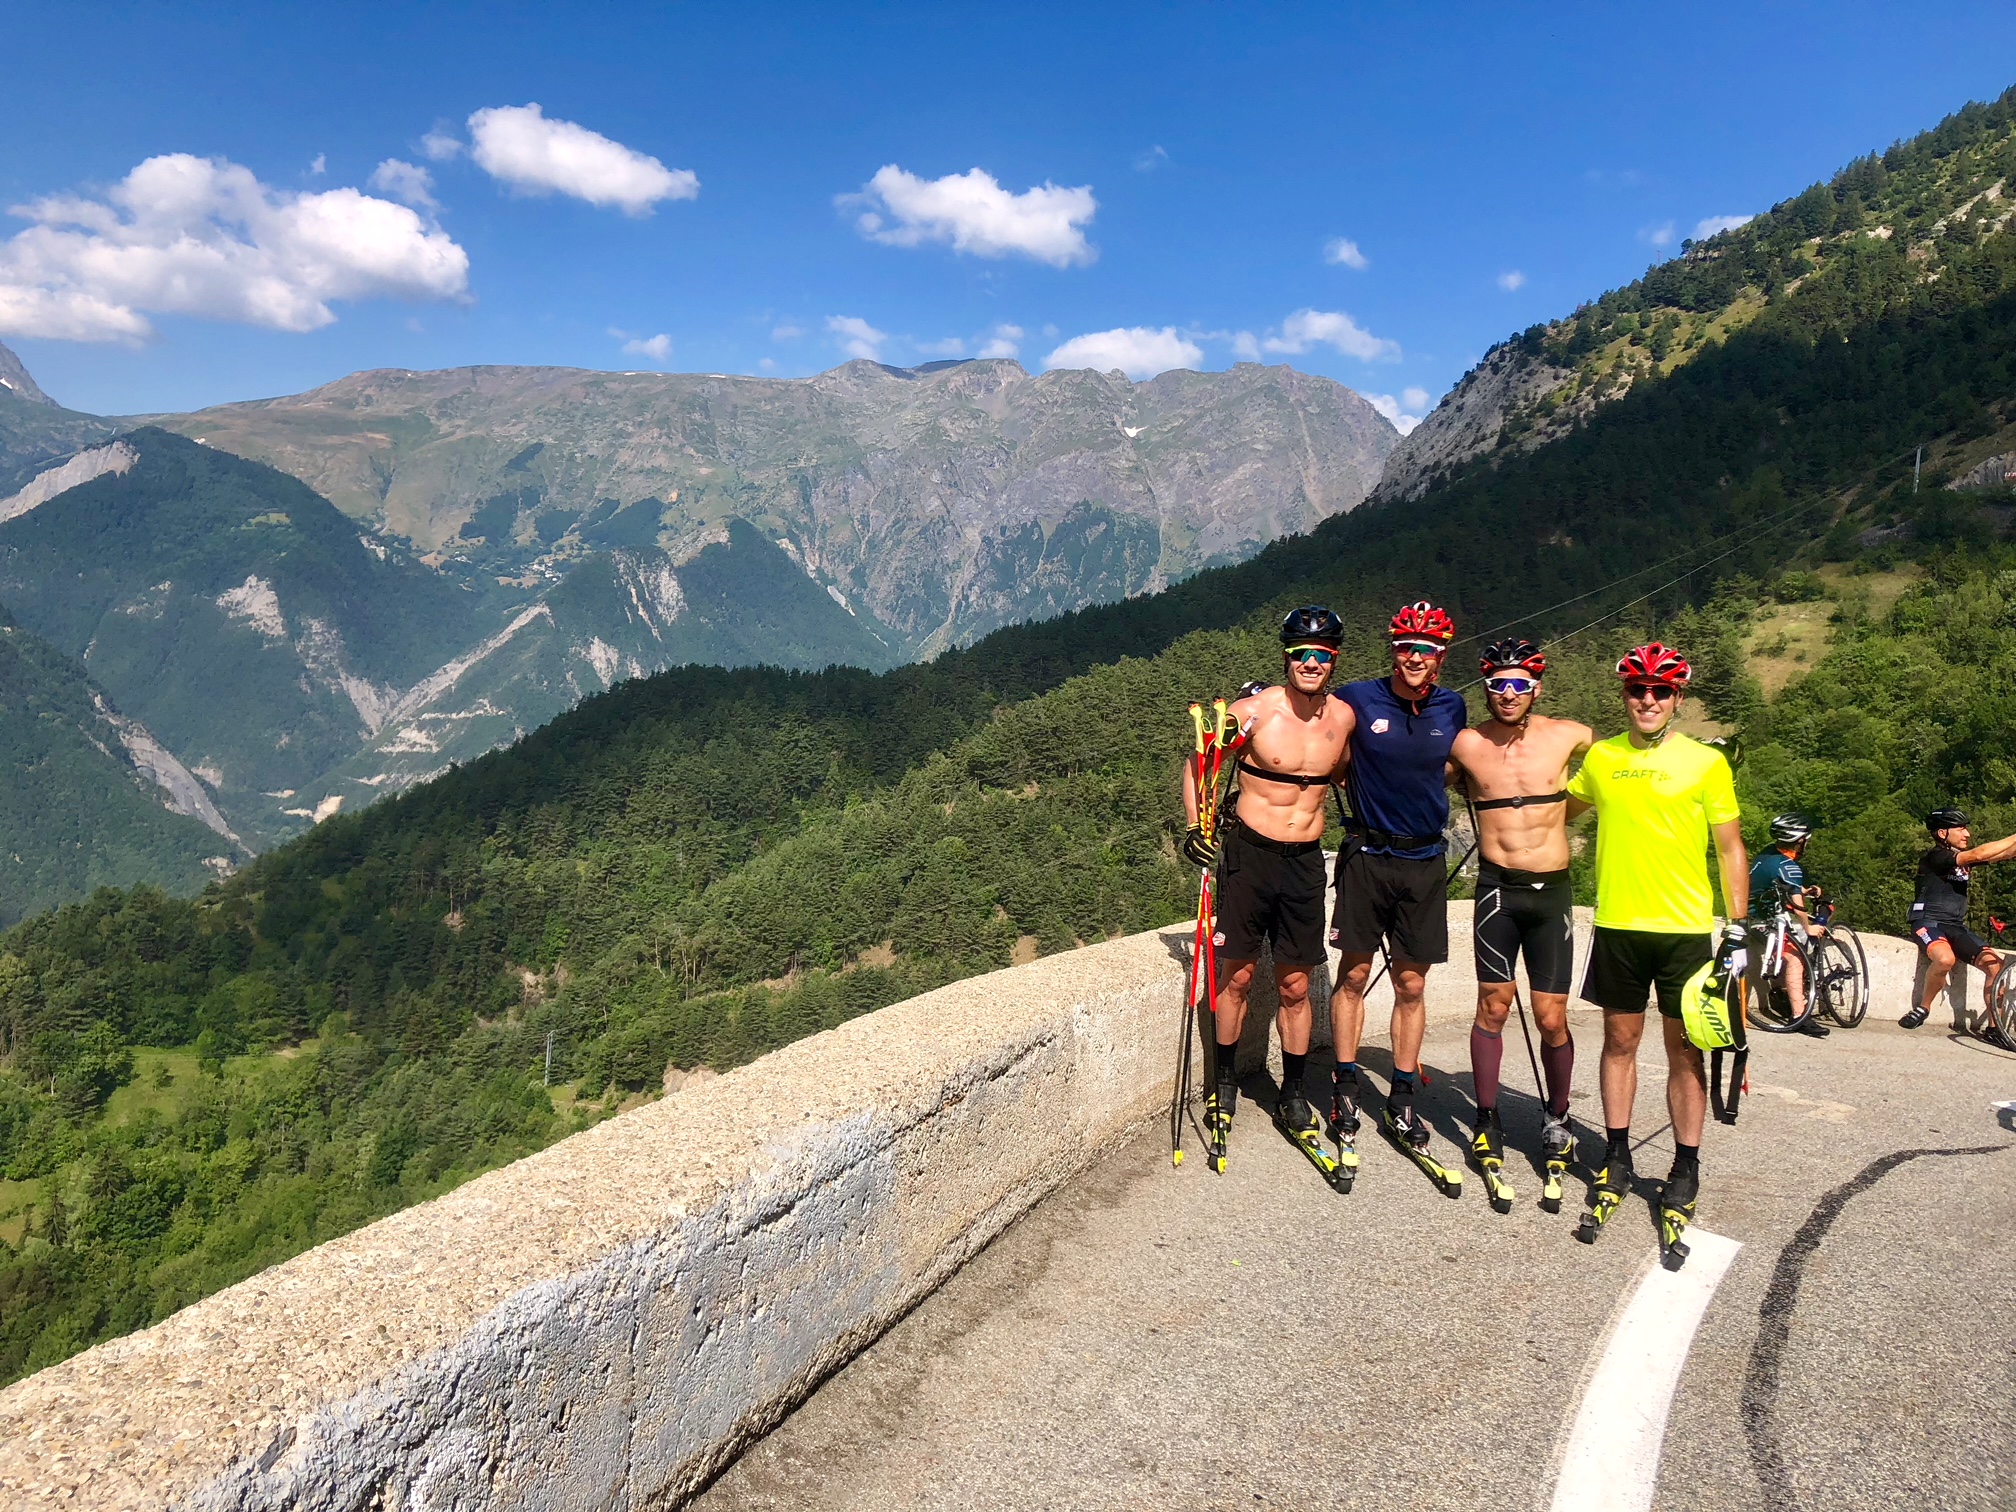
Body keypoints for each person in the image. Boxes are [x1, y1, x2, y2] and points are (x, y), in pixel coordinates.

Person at [1564, 642, 1747, 1239]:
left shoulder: (1706, 762)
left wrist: (1738, 928)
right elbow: (1554, 813)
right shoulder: (1601, 758)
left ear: (1677, 699)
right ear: (1624, 695)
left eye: (1660, 691)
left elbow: (1730, 848)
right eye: (1637, 689)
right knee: (1619, 1041)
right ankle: (1617, 1154)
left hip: (1685, 930)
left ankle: (1685, 1164)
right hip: (1618, 923)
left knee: (1685, 1053)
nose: (1647, 699)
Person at [1182, 606, 1355, 1156]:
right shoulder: (1253, 712)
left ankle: (1295, 1091)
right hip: (1249, 857)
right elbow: (1198, 765)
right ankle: (1225, 1081)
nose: (1311, 663)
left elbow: (1351, 775)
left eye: (1322, 655)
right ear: (1286, 658)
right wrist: (1195, 827)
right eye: (1302, 654)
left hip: (1306, 859)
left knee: (1295, 986)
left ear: (1333, 661)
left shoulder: (1343, 719)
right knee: (1236, 978)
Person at [1448, 638, 1593, 1179]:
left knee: (1552, 1016)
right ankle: (1487, 1119)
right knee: (1492, 1005)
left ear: (1536, 689)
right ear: (1486, 687)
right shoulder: (1466, 743)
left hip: (1552, 890)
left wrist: (1569, 809)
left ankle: (1557, 1116)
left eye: (1519, 685)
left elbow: (1624, 762)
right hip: (1496, 888)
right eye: (1497, 684)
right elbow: (1411, 773)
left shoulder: (1568, 735)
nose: (1508, 694)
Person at [1328, 601, 1467, 1159]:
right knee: (1354, 975)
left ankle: (1403, 1095)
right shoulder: (1358, 697)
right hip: (1366, 854)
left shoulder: (1453, 707)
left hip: (1424, 862)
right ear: (1393, 650)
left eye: (1426, 648)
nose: (1414, 656)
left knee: (1412, 985)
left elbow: (1459, 766)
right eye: (1405, 646)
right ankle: (1344, 1087)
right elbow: (1312, 724)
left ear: (1441, 657)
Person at [1902, 808, 2016, 1028]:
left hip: (1955, 926)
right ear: (1943, 833)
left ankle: (1995, 1028)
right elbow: (1979, 853)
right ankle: (1923, 1008)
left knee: (1995, 966)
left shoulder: (1961, 860)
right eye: (1961, 828)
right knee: (1945, 959)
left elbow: (2006, 853)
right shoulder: (1935, 856)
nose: (1967, 834)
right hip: (1927, 922)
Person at [1748, 812, 1829, 1038]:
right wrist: (1808, 928)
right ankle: (1800, 1016)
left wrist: (1801, 890)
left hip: (1750, 917)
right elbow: (1798, 906)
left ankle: (1782, 994)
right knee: (1795, 958)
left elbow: (1773, 884)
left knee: (1787, 953)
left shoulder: (1767, 854)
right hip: (1767, 922)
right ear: (1799, 841)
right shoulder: (1789, 866)